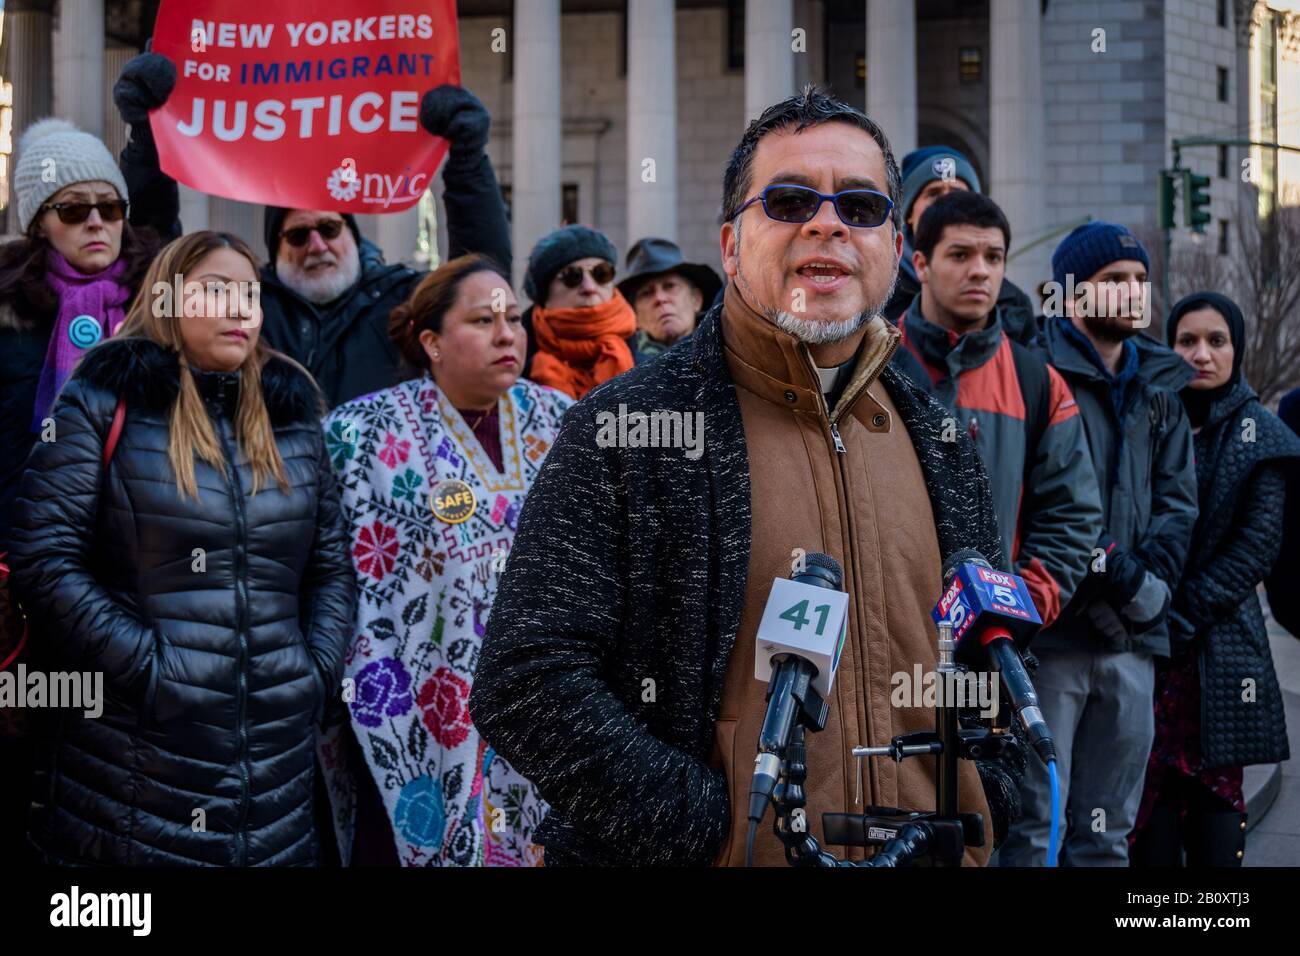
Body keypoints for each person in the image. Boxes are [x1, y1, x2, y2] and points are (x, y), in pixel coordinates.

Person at [469, 87, 1027, 867]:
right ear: (731, 247)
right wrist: (713, 829)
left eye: (861, 206)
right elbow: (525, 682)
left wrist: (985, 791)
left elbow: (990, 637)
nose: (827, 222)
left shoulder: (937, 432)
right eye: (791, 199)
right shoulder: (624, 427)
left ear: (895, 250)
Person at [8, 231, 356, 866]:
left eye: (249, 293)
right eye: (216, 290)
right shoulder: (100, 399)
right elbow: (43, 556)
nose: (240, 308)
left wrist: (315, 670)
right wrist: (151, 668)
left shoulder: (293, 412)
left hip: (276, 772)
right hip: (133, 767)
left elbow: (331, 567)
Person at [316, 254, 572, 866]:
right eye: (483, 320)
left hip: (538, 696)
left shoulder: (560, 420)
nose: (507, 333)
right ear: (431, 340)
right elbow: (338, 575)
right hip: (406, 699)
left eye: (512, 317)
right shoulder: (361, 433)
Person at [112, 52, 511, 407]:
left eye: (329, 227)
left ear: (352, 235)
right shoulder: (248, 309)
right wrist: (147, 139)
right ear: (277, 247)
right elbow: (154, 262)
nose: (316, 244)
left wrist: (468, 158)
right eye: (298, 235)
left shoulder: (403, 303)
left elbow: (482, 279)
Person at [999, 222, 1199, 866]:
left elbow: (1177, 508)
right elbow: (1038, 504)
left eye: (1140, 280)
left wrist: (1143, 588)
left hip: (1133, 644)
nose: (1133, 292)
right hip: (1052, 638)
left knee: (1108, 837)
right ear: (1072, 294)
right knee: (1034, 831)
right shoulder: (1034, 374)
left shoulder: (1163, 388)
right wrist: (1110, 579)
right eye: (1114, 281)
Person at [0, 117, 159, 864]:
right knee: (34, 759)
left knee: (126, 771)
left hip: (142, 582)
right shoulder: (7, 318)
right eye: (73, 209)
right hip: (24, 588)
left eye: (112, 206)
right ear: (39, 222)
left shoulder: (162, 312)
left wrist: (144, 121)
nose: (97, 221)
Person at [1129, 292, 1300, 867]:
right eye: (1187, 341)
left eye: (1216, 341)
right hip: (1141, 645)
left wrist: (1173, 618)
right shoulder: (1143, 419)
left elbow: (1253, 550)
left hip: (1219, 651)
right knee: (1141, 815)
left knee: (1214, 815)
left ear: (1237, 349)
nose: (1201, 354)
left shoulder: (1264, 437)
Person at [896, 191, 1102, 628]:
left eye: (993, 257)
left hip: (989, 651)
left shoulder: (1039, 384)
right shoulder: (868, 365)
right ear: (921, 265)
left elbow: (1072, 514)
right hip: (881, 644)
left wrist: (1014, 609)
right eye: (960, 254)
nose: (980, 271)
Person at [882, 145, 1037, 345]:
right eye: (934, 193)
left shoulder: (1013, 304)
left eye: (957, 193)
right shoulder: (880, 294)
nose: (946, 202)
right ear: (909, 213)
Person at [518, 224, 637, 399]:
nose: (589, 288)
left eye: (601, 273)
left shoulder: (653, 364)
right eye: (572, 276)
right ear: (544, 294)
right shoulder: (513, 370)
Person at [617, 237, 722, 363]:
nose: (660, 299)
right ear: (634, 317)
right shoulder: (621, 365)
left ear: (696, 300)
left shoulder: (727, 350)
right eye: (646, 293)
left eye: (670, 286)